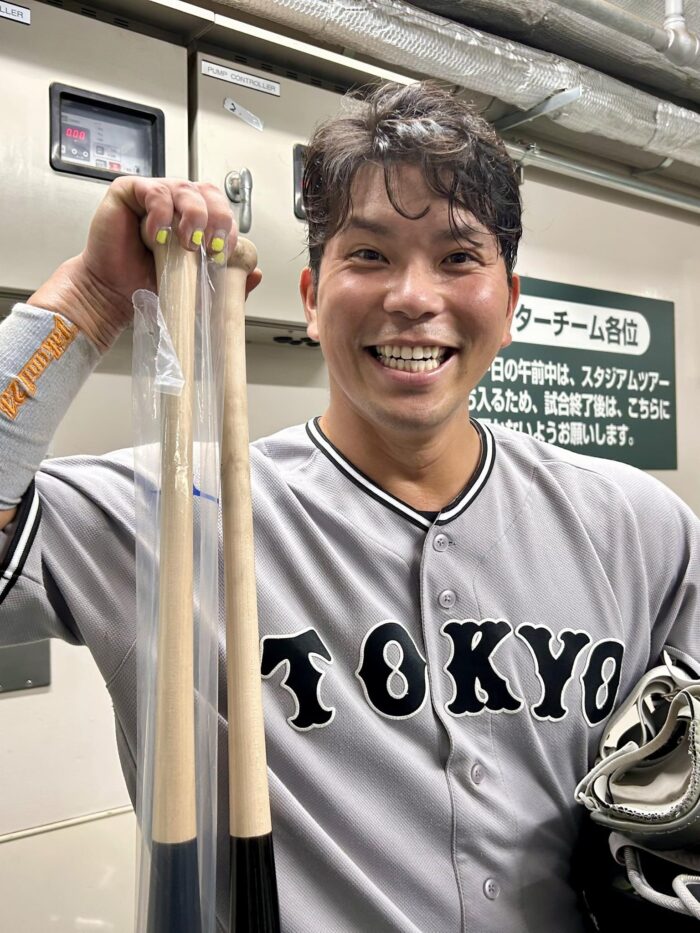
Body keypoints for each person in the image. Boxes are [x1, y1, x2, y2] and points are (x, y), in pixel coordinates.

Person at [0, 82, 698, 933]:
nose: (413, 295)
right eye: (368, 254)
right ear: (310, 295)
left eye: (458, 257)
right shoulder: (171, 515)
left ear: (511, 302)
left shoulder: (639, 527)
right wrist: (87, 299)